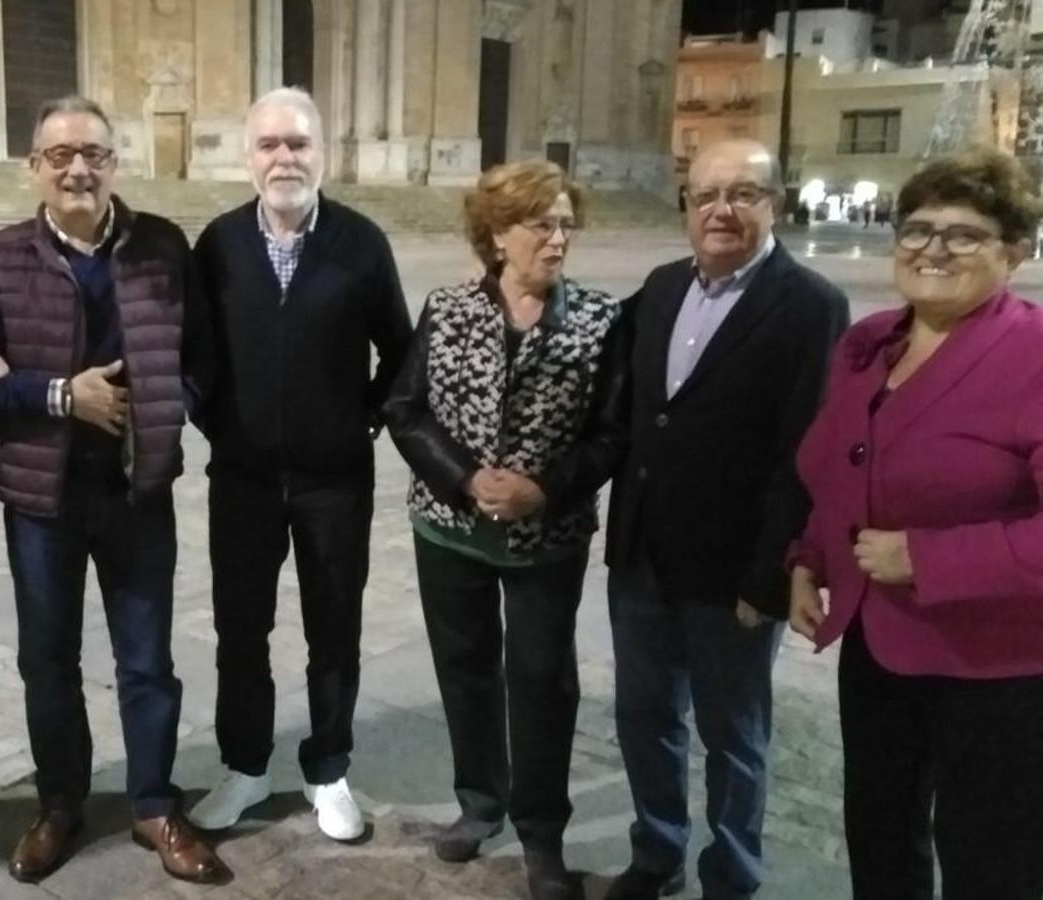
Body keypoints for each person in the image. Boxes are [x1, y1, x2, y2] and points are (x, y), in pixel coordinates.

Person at [0, 95, 227, 885]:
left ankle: (153, 806)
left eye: (94, 153)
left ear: (115, 162)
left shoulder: (163, 246)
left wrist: (167, 418)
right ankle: (60, 804)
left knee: (147, 662)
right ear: (34, 167)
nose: (78, 167)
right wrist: (58, 395)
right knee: (48, 661)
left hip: (138, 494)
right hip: (44, 501)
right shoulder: (1, 258)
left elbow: (201, 360)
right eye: (60, 154)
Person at [788, 147, 1043, 900]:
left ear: (1016, 252)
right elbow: (842, 471)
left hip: (997, 668)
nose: (932, 248)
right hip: (880, 646)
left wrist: (931, 560)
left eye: (963, 235)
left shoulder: (1033, 355)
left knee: (992, 861)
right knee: (881, 838)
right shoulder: (870, 344)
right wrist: (811, 554)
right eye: (918, 229)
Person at [603, 139, 850, 900]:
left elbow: (804, 450)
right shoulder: (661, 287)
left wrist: (768, 577)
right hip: (644, 556)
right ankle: (657, 853)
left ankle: (732, 876)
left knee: (734, 737)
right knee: (646, 719)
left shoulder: (811, 304)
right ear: (686, 208)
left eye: (744, 194)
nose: (721, 210)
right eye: (706, 195)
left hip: (735, 572)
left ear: (775, 202)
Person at [384, 160, 626, 900]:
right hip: (449, 532)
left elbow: (613, 434)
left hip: (546, 540)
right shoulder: (449, 306)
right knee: (465, 670)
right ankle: (479, 802)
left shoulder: (599, 318)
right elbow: (405, 407)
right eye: (540, 224)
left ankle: (542, 833)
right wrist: (462, 477)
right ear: (496, 234)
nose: (557, 239)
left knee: (543, 683)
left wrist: (542, 488)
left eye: (564, 223)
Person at [186, 86, 413, 841]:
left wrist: (366, 415)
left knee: (334, 630)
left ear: (324, 154)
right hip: (243, 478)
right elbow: (197, 355)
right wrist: (215, 420)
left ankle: (329, 769)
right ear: (249, 156)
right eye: (270, 144)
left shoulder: (361, 242)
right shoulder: (218, 244)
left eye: (299, 144)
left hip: (334, 481)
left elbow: (402, 350)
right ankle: (246, 767)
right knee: (239, 630)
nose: (285, 157)